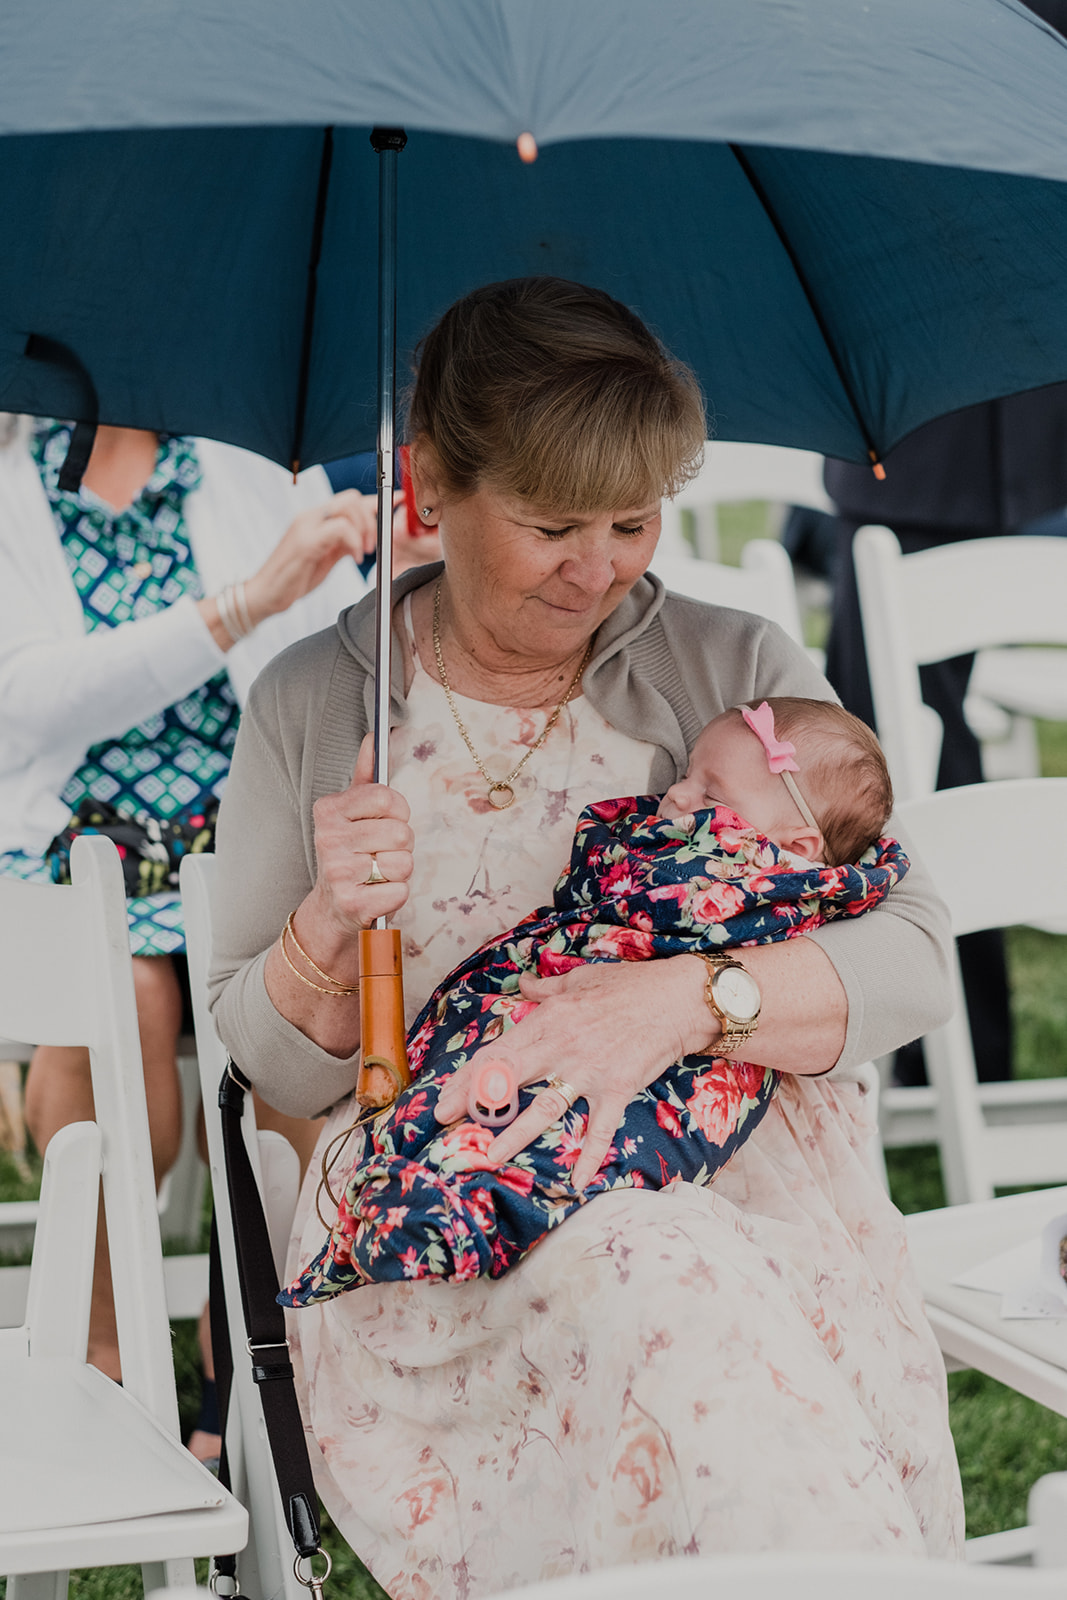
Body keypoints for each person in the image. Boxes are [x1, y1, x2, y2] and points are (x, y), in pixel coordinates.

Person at [209, 276, 963, 1594]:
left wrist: (682, 1003)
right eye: (553, 523)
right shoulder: (315, 703)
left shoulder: (734, 673)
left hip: (738, 1196)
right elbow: (272, 1071)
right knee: (646, 1268)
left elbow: (909, 957)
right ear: (429, 486)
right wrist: (329, 920)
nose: (600, 566)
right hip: (451, 1229)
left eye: (630, 520)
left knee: (676, 1270)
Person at [0, 413, 377, 1422]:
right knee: (117, 991)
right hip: (75, 842)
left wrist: (382, 577)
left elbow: (343, 671)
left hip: (247, 833)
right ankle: (106, 1353)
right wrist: (242, 603)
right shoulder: (13, 485)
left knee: (285, 989)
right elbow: (28, 703)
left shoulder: (252, 467)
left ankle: (253, 1343)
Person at [282, 696, 908, 1300]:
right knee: (460, 1106)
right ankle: (393, 1198)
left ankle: (456, 1229)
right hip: (536, 1021)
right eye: (687, 774)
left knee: (572, 1150)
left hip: (674, 1082)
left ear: (795, 848)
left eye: (709, 795)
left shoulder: (762, 885)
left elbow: (909, 958)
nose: (679, 794)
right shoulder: (679, 839)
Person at [823, 383, 1067, 1083]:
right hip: (919, 449)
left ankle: (952, 1052)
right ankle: (949, 1047)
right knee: (883, 759)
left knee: (882, 764)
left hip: (932, 440)